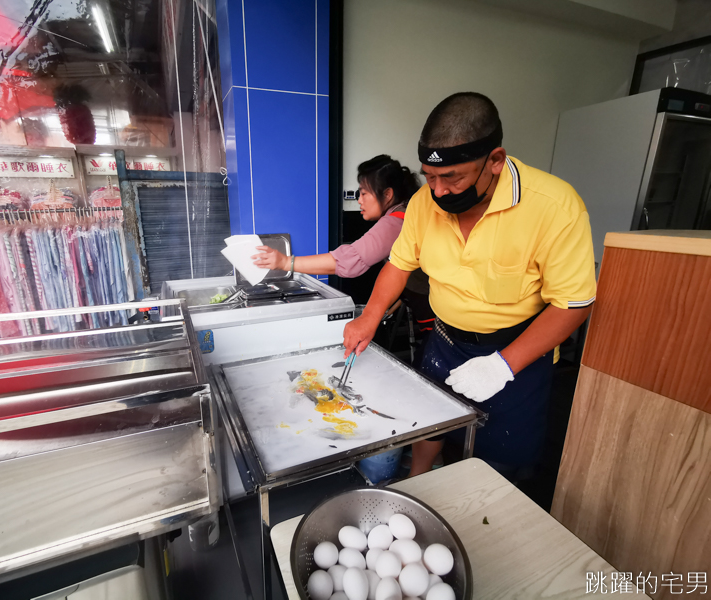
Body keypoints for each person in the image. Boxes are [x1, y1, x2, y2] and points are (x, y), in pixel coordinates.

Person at [343, 93, 596, 480]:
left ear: (495, 160)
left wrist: (503, 365)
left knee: (504, 454)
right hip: (444, 340)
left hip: (516, 350)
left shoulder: (554, 207)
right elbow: (398, 264)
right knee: (429, 425)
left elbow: (573, 304)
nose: (438, 191)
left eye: (452, 177)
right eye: (429, 177)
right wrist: (370, 317)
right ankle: (421, 483)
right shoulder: (424, 204)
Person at [253, 155, 435, 344]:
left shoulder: (395, 221)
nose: (359, 200)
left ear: (387, 194)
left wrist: (285, 262)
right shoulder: (404, 212)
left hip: (432, 307)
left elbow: (350, 260)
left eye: (364, 193)